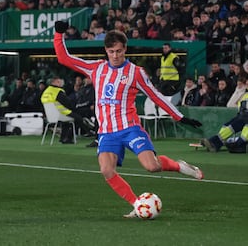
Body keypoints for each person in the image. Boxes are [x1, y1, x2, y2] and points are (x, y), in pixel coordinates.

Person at [53, 21, 204, 218]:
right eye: (111, 51)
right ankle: (137, 204)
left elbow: (155, 95)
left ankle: (179, 166)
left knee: (152, 167)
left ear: (125, 49)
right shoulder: (96, 68)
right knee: (107, 170)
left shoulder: (135, 72)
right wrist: (58, 33)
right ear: (106, 50)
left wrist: (179, 116)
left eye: (118, 51)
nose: (115, 56)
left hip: (130, 128)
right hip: (107, 132)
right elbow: (64, 58)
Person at [41, 76, 95, 144]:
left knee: (68, 121)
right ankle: (88, 131)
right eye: (59, 81)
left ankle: (64, 138)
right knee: (78, 118)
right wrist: (74, 107)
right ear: (55, 82)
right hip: (62, 112)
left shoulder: (46, 91)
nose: (61, 83)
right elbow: (67, 103)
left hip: (51, 116)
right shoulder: (57, 91)